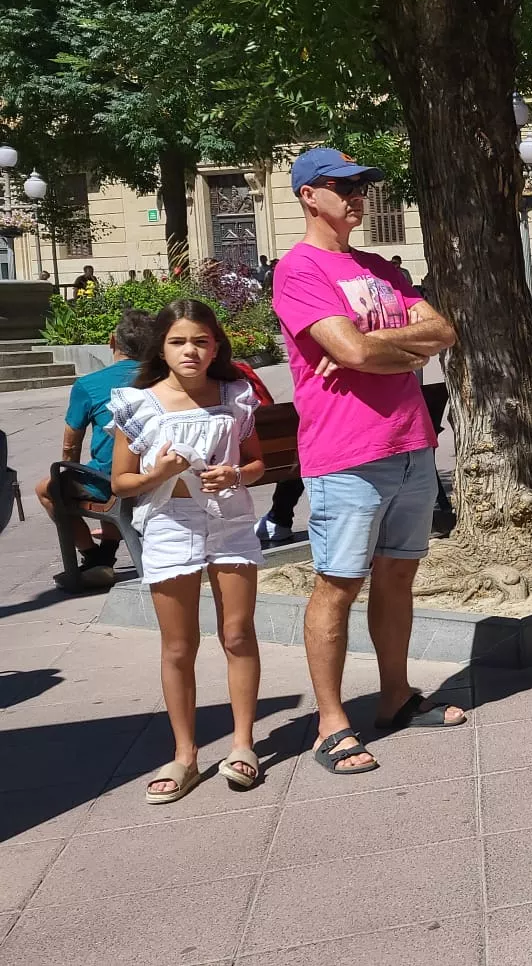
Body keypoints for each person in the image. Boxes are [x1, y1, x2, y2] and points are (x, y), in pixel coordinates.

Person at [273, 146, 465, 778]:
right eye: (342, 186)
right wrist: (383, 349)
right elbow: (350, 351)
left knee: (397, 578)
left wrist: (376, 345)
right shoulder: (299, 270)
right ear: (308, 195)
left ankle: (396, 696)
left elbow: (443, 333)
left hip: (412, 443)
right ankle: (331, 724)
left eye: (362, 186)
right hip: (346, 455)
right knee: (337, 584)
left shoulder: (381, 267)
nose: (357, 195)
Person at [106, 300, 266, 804]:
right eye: (178, 342)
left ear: (216, 345)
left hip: (230, 522)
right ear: (161, 348)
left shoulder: (235, 396)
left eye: (200, 340)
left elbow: (259, 462)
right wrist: (159, 474)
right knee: (179, 646)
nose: (190, 351)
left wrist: (236, 473)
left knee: (237, 632)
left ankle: (243, 744)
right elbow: (122, 482)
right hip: (170, 525)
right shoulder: (138, 403)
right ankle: (185, 754)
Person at [40, 309, 150, 585]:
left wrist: (68, 473)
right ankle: (105, 555)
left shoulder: (89, 385)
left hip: (114, 482)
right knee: (101, 472)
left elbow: (70, 446)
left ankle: (93, 557)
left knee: (47, 489)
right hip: (158, 474)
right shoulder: (164, 379)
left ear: (112, 341)